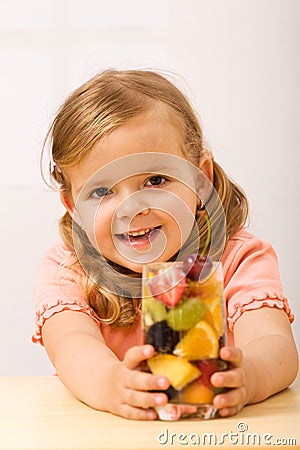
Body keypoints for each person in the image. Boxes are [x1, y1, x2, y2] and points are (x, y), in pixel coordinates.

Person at [33, 69, 298, 420]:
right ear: (73, 206)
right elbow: (70, 345)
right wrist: (111, 383)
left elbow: (275, 344)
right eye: (102, 191)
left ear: (201, 178)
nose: (133, 208)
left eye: (155, 180)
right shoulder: (67, 270)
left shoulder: (238, 257)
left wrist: (250, 376)